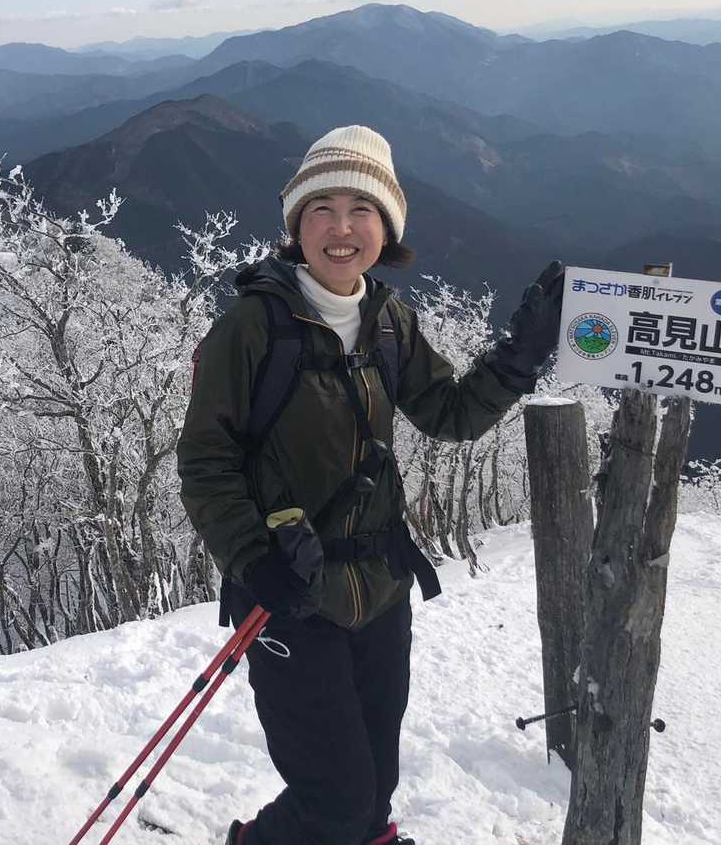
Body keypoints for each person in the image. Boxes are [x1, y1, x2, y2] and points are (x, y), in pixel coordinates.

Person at [178, 125, 563, 845]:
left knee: (374, 784)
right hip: (290, 593)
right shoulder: (253, 328)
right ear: (296, 226)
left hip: (380, 588)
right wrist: (253, 558)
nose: (341, 228)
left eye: (361, 209)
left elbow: (449, 414)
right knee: (335, 799)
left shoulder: (389, 322)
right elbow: (205, 460)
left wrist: (519, 356)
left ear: (387, 228)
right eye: (321, 208)